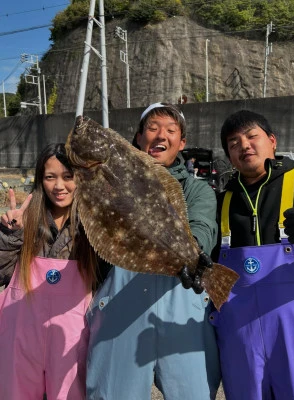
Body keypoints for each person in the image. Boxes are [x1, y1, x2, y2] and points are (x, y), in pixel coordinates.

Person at [86, 103, 221, 400]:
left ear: (181, 143)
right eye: (152, 128)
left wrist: (193, 252)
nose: (161, 134)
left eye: (171, 130)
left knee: (193, 393)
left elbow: (203, 228)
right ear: (137, 137)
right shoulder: (111, 183)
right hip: (121, 299)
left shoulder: (197, 190)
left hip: (181, 296)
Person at [210, 110, 294, 399]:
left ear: (272, 141)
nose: (243, 145)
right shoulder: (221, 202)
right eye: (233, 143)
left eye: (251, 136)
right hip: (240, 338)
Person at [0, 143, 100, 400]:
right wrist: (12, 235)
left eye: (68, 177)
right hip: (21, 336)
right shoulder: (25, 220)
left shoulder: (92, 227)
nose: (59, 186)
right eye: (50, 177)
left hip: (72, 339)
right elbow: (3, 273)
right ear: (39, 180)